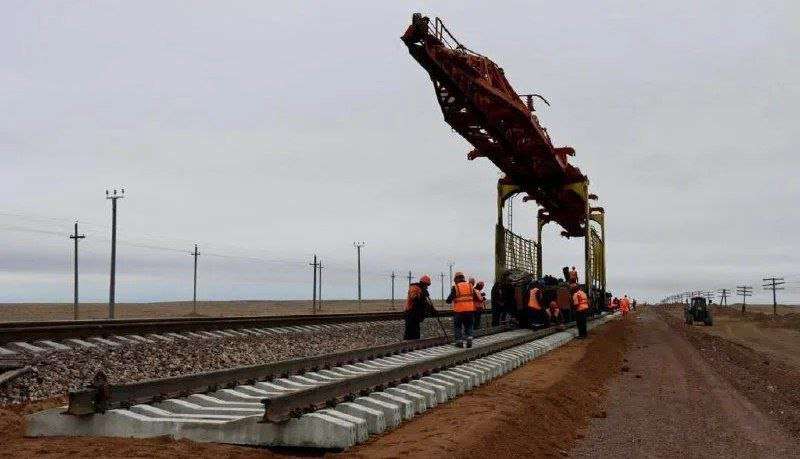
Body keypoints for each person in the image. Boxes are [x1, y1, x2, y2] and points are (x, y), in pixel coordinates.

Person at [446, 272, 479, 348]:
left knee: (458, 326)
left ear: (457, 279)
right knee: (469, 325)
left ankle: (459, 342)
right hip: (470, 311)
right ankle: (469, 337)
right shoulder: (470, 286)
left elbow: (449, 299)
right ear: (463, 278)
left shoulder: (455, 287)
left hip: (459, 311)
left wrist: (449, 300)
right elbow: (476, 297)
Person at [403, 275, 433, 340]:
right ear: (423, 284)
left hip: (416, 315)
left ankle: (415, 343)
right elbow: (415, 299)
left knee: (416, 332)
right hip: (411, 313)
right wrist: (423, 294)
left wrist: (432, 309)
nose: (427, 287)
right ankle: (407, 344)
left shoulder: (421, 290)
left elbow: (425, 303)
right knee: (409, 332)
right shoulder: (414, 288)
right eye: (426, 285)